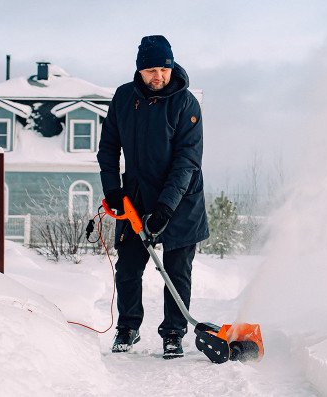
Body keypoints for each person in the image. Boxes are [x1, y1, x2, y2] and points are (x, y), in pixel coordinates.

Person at [97, 35, 209, 359]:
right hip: (135, 198)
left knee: (176, 271)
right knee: (128, 267)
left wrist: (165, 208)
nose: (158, 76)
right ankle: (128, 328)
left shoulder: (187, 104)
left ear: (171, 66)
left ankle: (173, 333)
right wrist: (112, 190)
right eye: (150, 70)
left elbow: (187, 161)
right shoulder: (122, 98)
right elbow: (107, 150)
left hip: (181, 200)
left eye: (163, 68)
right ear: (139, 70)